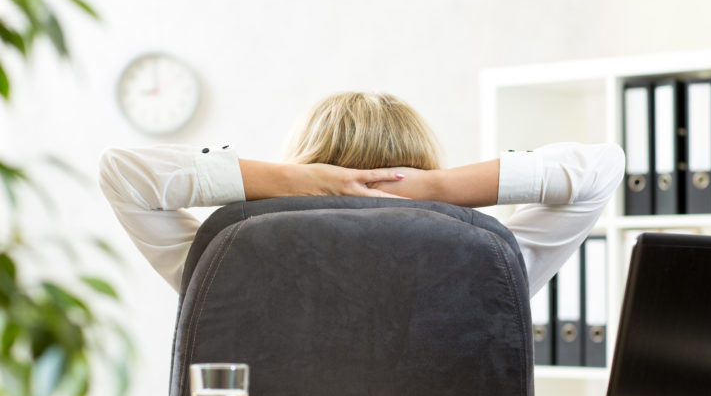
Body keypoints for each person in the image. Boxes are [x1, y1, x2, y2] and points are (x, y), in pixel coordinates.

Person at [99, 91, 625, 297]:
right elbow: (601, 168)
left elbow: (123, 173)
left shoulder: (228, 258)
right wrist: (437, 189)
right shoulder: (487, 261)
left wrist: (296, 181)